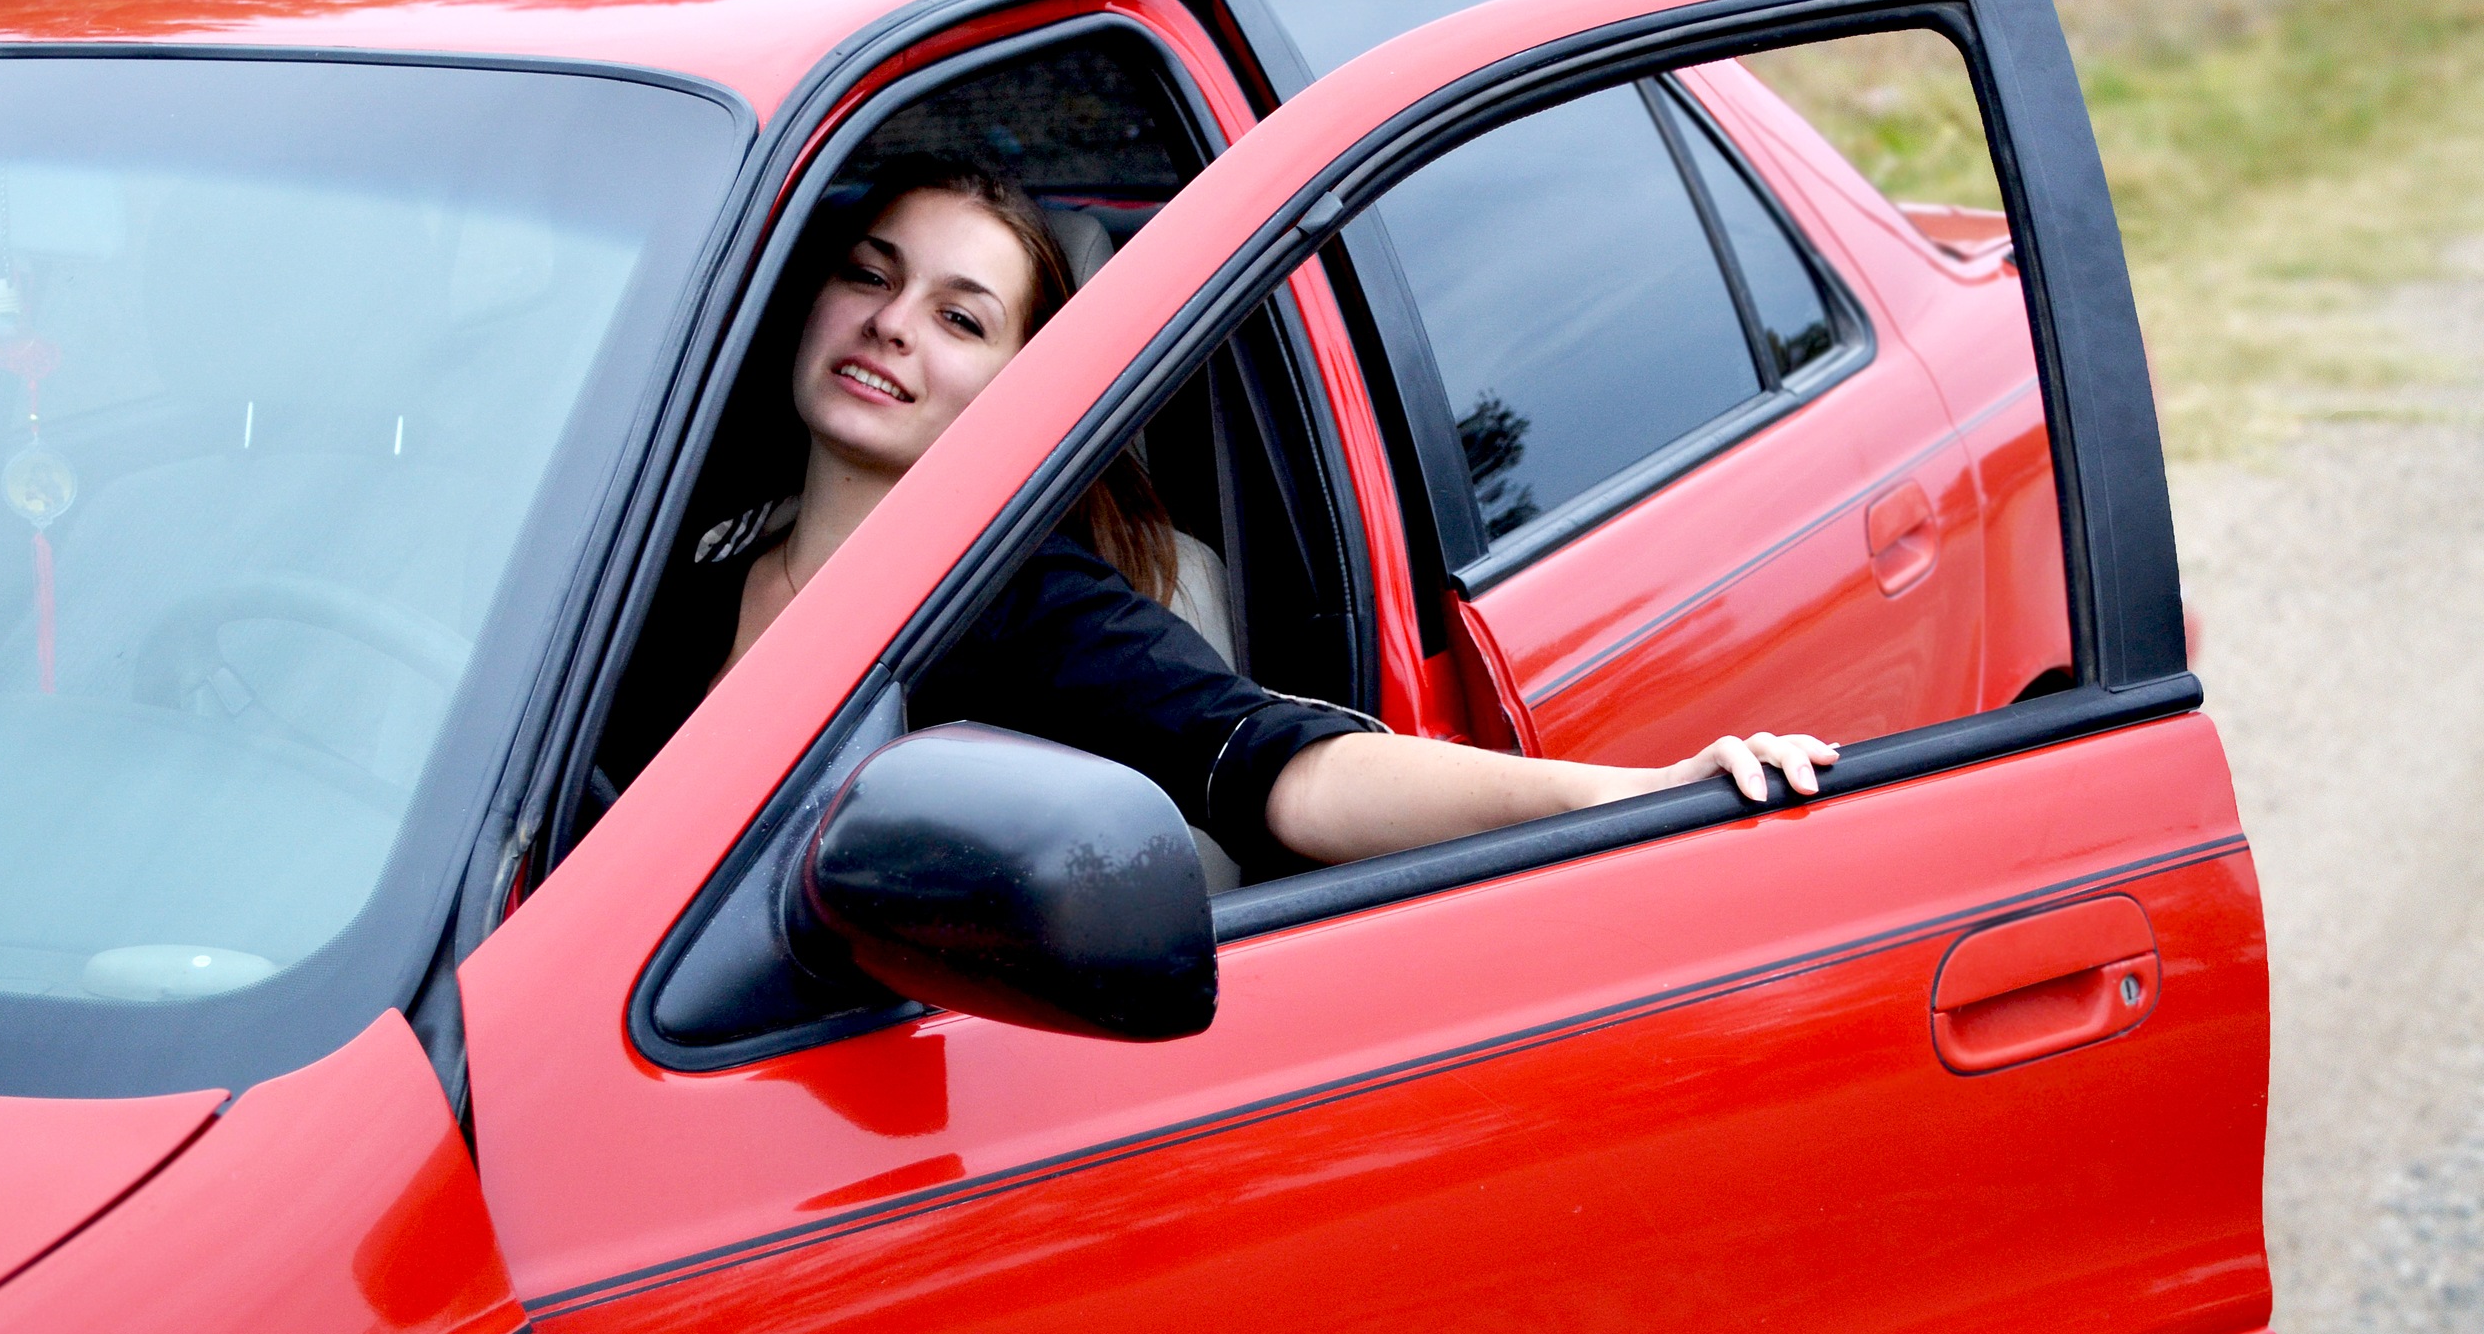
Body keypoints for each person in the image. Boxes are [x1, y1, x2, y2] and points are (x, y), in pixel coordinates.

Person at [707, 154, 1837, 876]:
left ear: (1018, 388)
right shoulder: (668, 557)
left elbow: (1279, 764)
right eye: (871, 275)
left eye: (961, 318)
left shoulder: (1033, 615)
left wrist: (1632, 795)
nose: (892, 323)